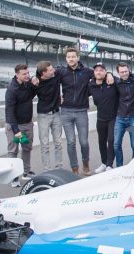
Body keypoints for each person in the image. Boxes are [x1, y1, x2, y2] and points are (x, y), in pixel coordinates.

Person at [58, 48, 94, 176]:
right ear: (66, 59)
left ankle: (85, 163)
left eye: (73, 56)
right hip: (66, 111)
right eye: (68, 57)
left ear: (78, 58)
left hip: (81, 111)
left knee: (83, 141)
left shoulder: (86, 71)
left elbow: (101, 74)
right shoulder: (61, 72)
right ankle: (75, 168)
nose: (71, 59)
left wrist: (110, 75)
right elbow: (49, 80)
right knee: (71, 141)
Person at [5, 64, 36, 187]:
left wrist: (34, 82)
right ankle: (13, 177)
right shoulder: (12, 90)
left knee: (27, 148)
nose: (27, 75)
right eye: (24, 74)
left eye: (28, 73)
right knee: (13, 151)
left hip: (27, 123)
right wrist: (16, 130)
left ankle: (26, 172)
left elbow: (32, 95)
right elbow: (9, 112)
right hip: (14, 125)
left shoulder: (27, 84)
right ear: (17, 74)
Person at [88, 63, 119, 173]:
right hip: (101, 118)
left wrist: (110, 74)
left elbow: (124, 87)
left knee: (111, 140)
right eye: (96, 70)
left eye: (101, 70)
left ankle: (109, 164)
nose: (99, 72)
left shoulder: (112, 81)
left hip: (113, 117)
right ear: (94, 73)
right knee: (101, 141)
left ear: (105, 72)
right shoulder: (91, 84)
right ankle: (104, 163)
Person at [35, 61, 63, 172]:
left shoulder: (56, 75)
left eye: (52, 69)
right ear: (43, 73)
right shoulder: (36, 83)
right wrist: (33, 78)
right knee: (45, 145)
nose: (53, 71)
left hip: (56, 114)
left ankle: (59, 168)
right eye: (50, 70)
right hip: (43, 116)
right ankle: (47, 170)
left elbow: (62, 67)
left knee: (58, 143)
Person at [114, 62, 134, 167]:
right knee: (116, 145)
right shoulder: (117, 83)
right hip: (120, 117)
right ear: (118, 72)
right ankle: (119, 167)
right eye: (122, 72)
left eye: (126, 71)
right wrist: (108, 74)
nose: (124, 74)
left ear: (129, 70)